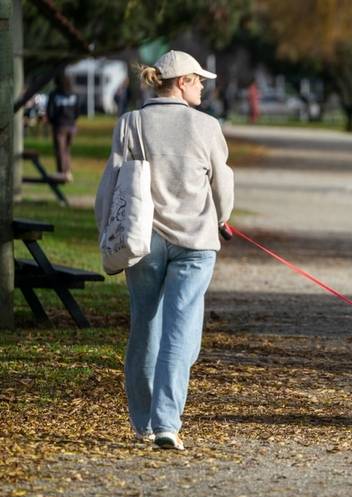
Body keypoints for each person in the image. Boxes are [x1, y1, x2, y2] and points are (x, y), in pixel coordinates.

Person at [95, 50, 234, 451]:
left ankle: (143, 422)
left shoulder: (131, 123)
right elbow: (222, 185)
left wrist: (106, 231)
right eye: (199, 80)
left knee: (145, 326)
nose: (204, 85)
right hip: (195, 242)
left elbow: (110, 187)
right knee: (180, 330)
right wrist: (223, 218)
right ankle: (167, 421)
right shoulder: (207, 127)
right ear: (182, 82)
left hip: (144, 242)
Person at [46, 71, 81, 180]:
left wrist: (53, 122)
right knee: (66, 149)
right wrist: (73, 120)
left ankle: (62, 172)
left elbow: (50, 111)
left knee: (60, 149)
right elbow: (78, 110)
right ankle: (67, 172)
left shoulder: (54, 94)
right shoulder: (74, 94)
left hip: (59, 126)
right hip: (71, 126)